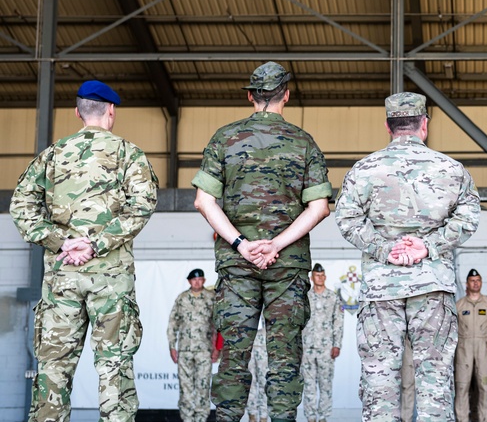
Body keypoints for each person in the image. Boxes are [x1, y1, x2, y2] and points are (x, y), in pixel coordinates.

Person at [192, 61, 333, 422]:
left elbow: (203, 201)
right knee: (284, 358)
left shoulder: (224, 138)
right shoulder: (304, 142)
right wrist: (276, 245)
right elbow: (319, 207)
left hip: (238, 266)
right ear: (286, 94)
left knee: (233, 358)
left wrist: (241, 244)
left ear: (252, 96)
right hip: (286, 267)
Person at [10, 80, 159, 422]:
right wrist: (97, 243)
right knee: (114, 365)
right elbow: (143, 204)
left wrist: (61, 242)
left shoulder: (51, 155)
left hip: (62, 277)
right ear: (111, 111)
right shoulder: (128, 154)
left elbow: (21, 206)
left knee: (53, 367)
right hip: (111, 279)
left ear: (77, 113)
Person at [336, 91, 480, 422]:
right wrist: (429, 245)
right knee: (435, 381)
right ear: (423, 125)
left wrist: (385, 248)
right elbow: (469, 217)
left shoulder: (363, 169)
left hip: (380, 288)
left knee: (380, 380)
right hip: (432, 285)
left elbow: (347, 219)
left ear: (389, 126)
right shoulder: (451, 169)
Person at [168, 268, 220, 422]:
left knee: (203, 387)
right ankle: (188, 418)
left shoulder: (211, 298)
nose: (197, 282)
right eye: (193, 279)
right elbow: (173, 323)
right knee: (186, 387)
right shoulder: (182, 298)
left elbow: (217, 324)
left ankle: (201, 418)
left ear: (203, 280)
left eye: (200, 279)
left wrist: (217, 348)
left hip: (205, 350)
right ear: (189, 281)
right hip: (185, 350)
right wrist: (172, 346)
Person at [456, 268, 487, 422]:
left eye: (478, 280)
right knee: (462, 387)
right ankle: (462, 419)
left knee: (485, 387)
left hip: (482, 350)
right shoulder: (459, 305)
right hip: (463, 352)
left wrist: (486, 339)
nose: (476, 283)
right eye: (472, 281)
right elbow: (452, 329)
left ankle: (483, 419)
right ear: (466, 284)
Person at [302, 263, 346, 422]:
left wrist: (337, 345)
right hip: (307, 348)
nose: (319, 278)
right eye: (316, 275)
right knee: (309, 386)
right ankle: (311, 418)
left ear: (325, 277)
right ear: (312, 278)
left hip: (326, 349)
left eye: (322, 275)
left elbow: (338, 322)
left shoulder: (333, 297)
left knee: (325, 386)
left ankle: (323, 418)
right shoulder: (305, 297)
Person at [248, 322, 268, 422]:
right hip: (247, 344)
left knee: (264, 383)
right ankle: (252, 416)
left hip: (265, 344)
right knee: (249, 383)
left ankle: (264, 417)